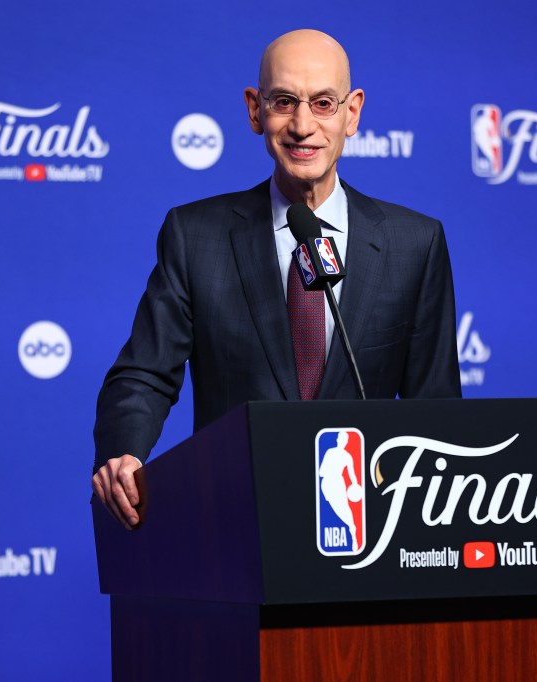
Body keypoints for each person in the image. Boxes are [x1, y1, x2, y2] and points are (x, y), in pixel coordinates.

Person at [92, 29, 460, 529]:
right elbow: (144, 374)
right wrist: (125, 454)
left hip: (371, 532)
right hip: (235, 526)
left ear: (352, 113)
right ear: (254, 109)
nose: (303, 126)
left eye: (324, 103)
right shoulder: (195, 235)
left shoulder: (415, 244)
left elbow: (436, 414)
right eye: (284, 102)